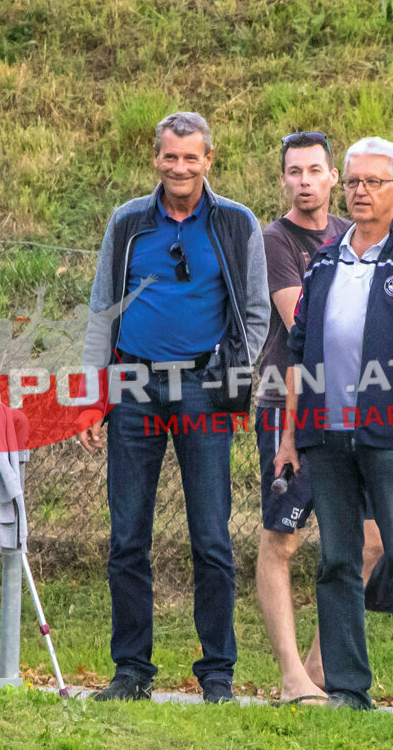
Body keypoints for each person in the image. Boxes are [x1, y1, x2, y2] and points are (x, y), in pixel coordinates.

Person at [79, 112, 269, 704]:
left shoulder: (237, 224)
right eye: (170, 157)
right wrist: (93, 393)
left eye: (191, 158)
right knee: (127, 537)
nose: (180, 168)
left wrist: (227, 378)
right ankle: (131, 672)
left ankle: (217, 676)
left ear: (210, 159)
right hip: (132, 384)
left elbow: (257, 313)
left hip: (202, 389)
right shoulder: (128, 221)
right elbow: (101, 308)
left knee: (211, 537)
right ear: (155, 158)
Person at [276, 137, 393, 719]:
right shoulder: (326, 261)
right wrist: (288, 436)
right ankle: (349, 690)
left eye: (373, 182)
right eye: (352, 181)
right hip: (325, 438)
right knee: (336, 561)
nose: (359, 191)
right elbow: (298, 350)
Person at [254, 131, 385, 703]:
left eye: (315, 170)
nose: (305, 180)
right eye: (294, 172)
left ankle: (319, 667)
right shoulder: (275, 240)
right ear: (283, 180)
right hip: (290, 405)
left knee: (373, 538)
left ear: (335, 177)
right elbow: (303, 322)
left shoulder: (351, 235)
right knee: (283, 538)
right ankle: (289, 677)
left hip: (354, 409)